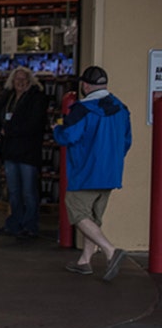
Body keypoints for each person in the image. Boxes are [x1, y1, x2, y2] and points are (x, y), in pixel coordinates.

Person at [52, 65, 132, 280]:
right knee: (94, 216)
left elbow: (67, 136)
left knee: (77, 212)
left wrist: (56, 128)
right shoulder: (121, 108)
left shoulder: (82, 109)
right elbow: (127, 141)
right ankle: (84, 261)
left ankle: (110, 251)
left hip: (86, 172)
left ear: (85, 86)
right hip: (111, 173)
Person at [0, 66, 50, 239]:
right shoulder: (6, 98)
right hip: (9, 151)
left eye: (24, 80)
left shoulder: (37, 99)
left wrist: (10, 131)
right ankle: (14, 223)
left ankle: (30, 225)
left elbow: (35, 124)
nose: (20, 83)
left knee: (29, 191)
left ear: (30, 82)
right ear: (12, 81)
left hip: (28, 152)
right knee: (14, 191)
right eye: (17, 79)